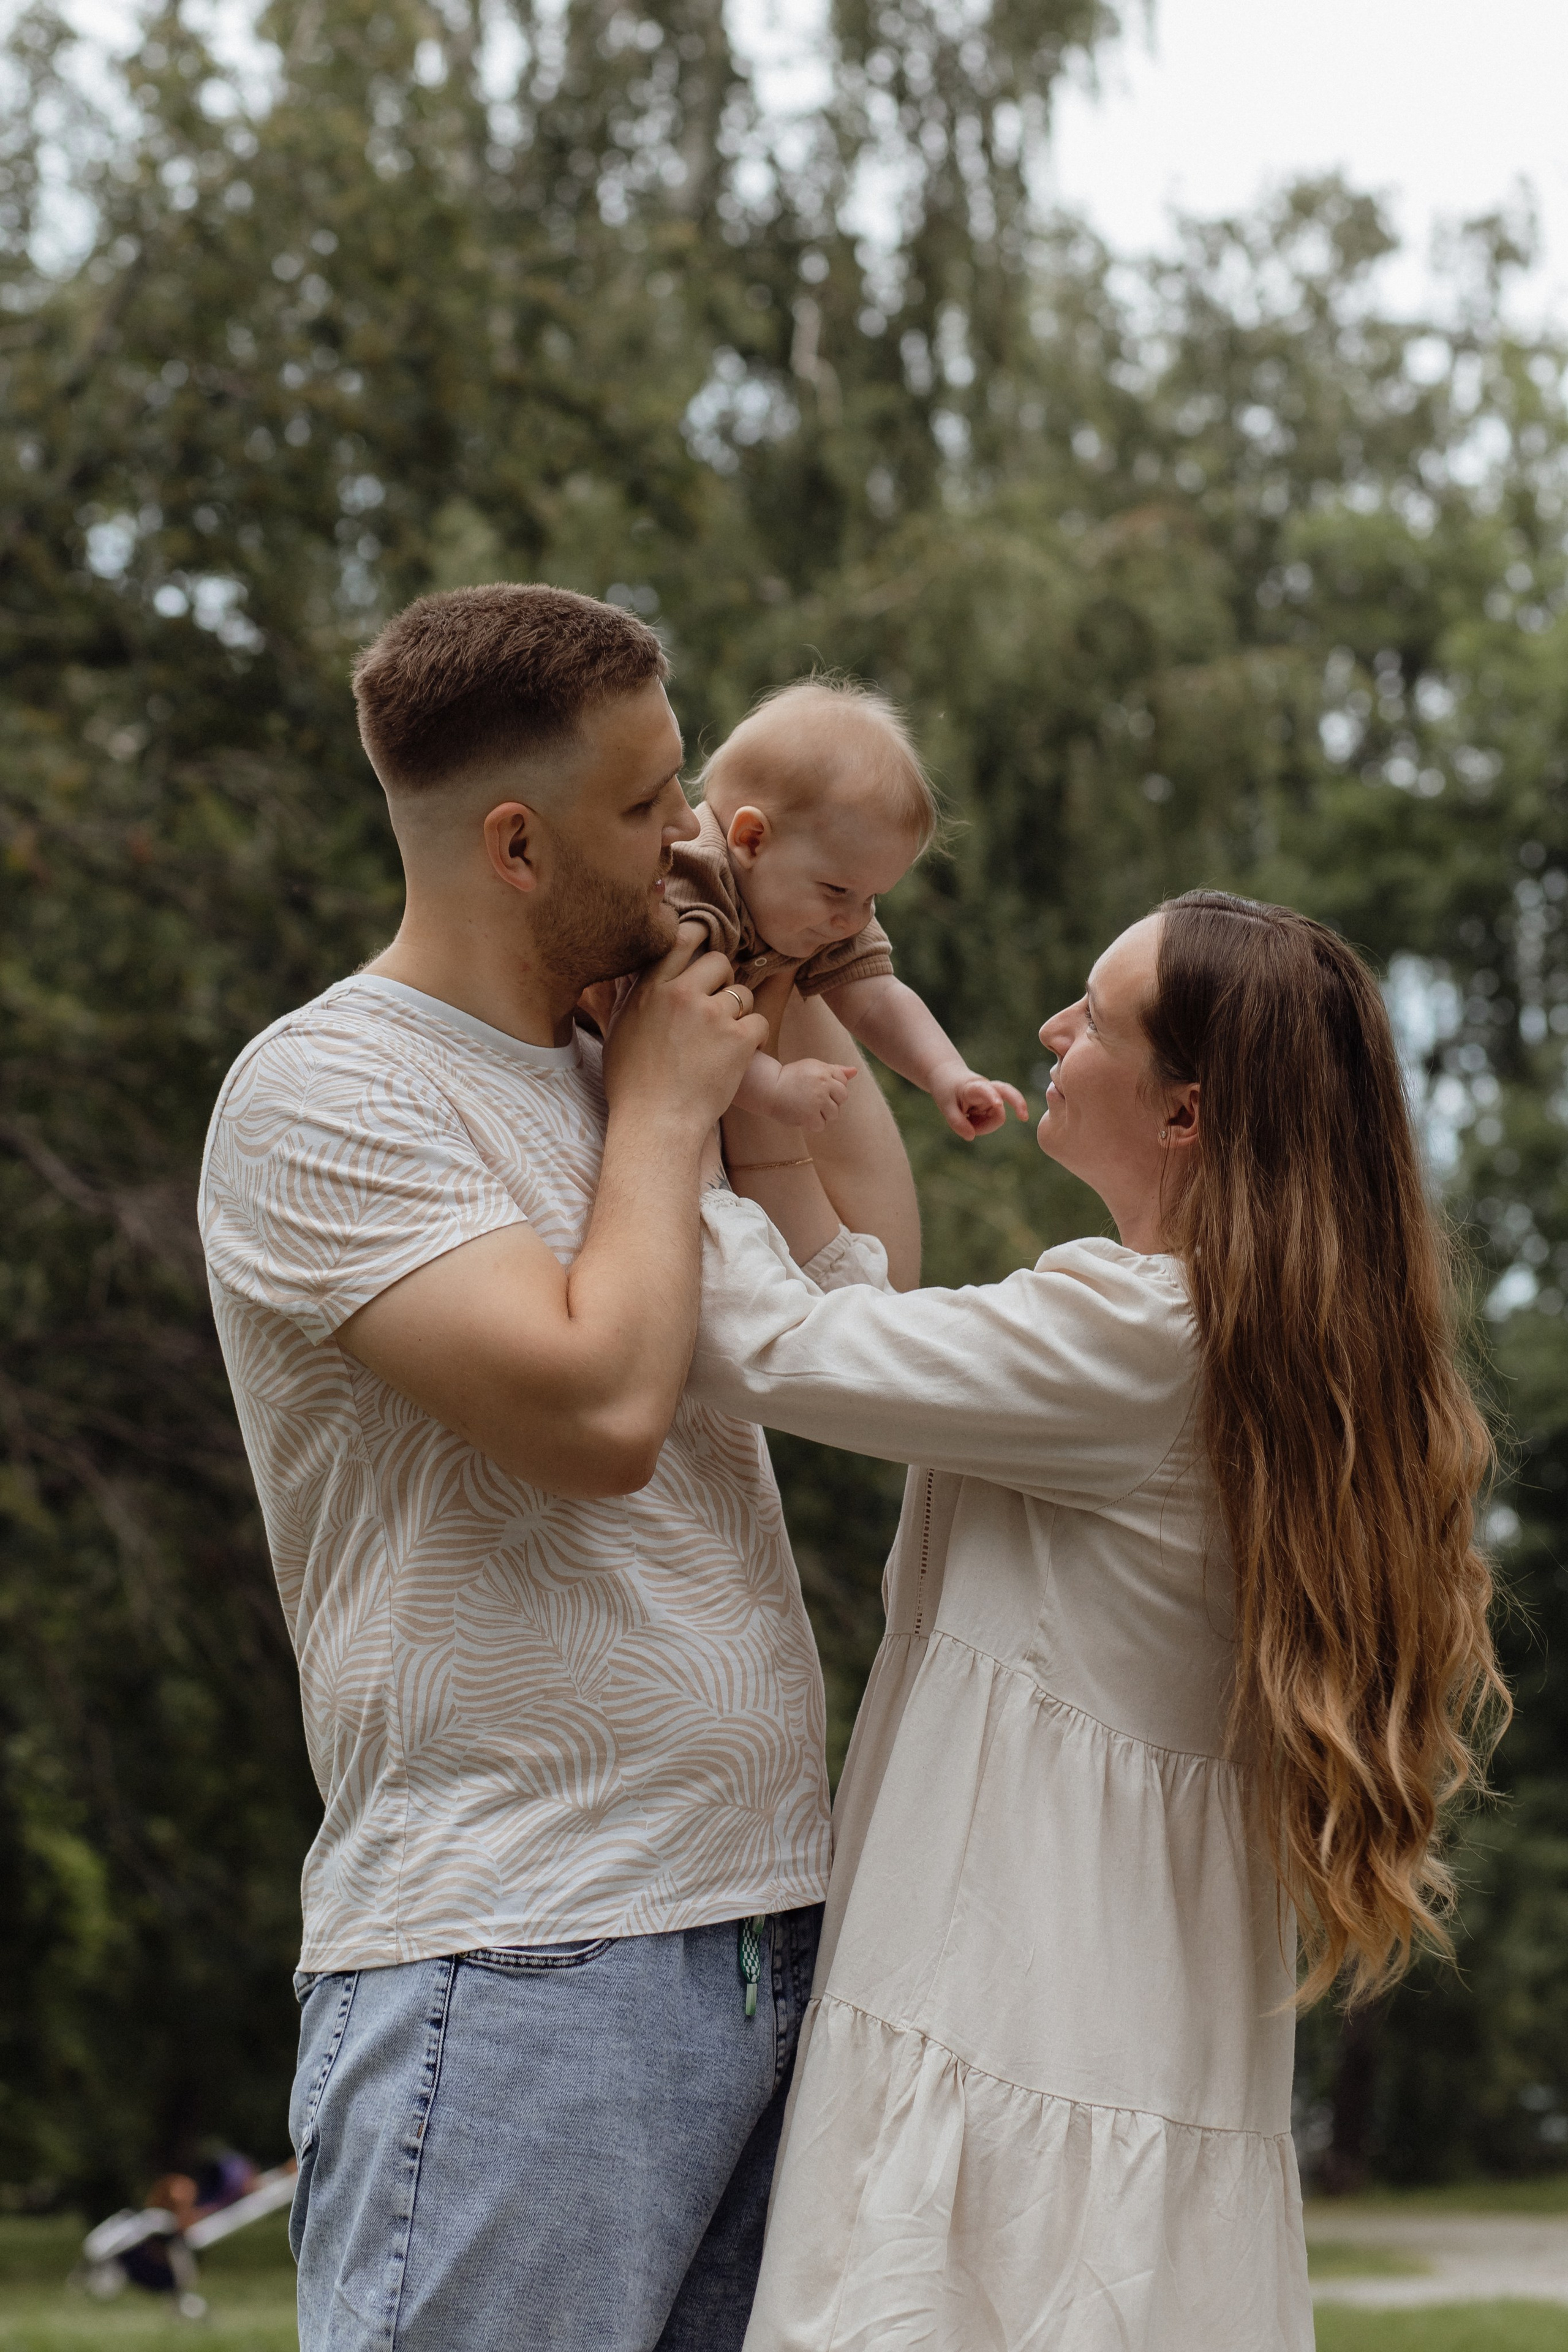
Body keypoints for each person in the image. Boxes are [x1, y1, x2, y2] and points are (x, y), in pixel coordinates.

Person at [197, 582, 913, 2352]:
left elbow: (873, 1283)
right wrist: (668, 1108)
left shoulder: (629, 1042)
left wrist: (782, 985)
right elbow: (596, 1416)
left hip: (764, 1927)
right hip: (518, 1957)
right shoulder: (330, 1092)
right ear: (514, 843)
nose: (693, 840)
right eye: (647, 804)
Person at [688, 891, 1507, 2351]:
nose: (1053, 1035)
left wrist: (654, 1093)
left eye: (1092, 1014)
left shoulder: (1140, 1335)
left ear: (1183, 1111)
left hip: (1007, 2013)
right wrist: (764, 1104)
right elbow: (859, 1329)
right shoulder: (1220, 1345)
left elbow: (768, 1345)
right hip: (1113, 2026)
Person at [666, 679, 1027, 1143]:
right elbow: (681, 1027)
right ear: (751, 840)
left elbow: (876, 997)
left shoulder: (819, 905)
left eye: (873, 899)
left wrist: (947, 1074)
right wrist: (772, 1087)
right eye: (838, 890)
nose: (855, 919)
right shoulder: (690, 882)